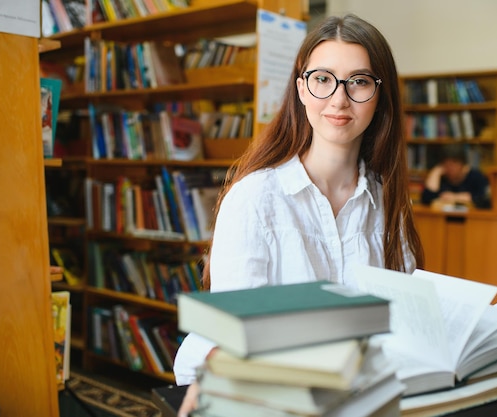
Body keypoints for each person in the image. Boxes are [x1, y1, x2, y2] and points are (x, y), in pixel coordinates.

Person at [173, 13, 425, 416]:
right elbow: (238, 335)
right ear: (301, 89)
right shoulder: (255, 198)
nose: (339, 99)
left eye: (359, 82)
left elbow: (401, 325)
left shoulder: (387, 201)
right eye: (323, 79)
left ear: (380, 96)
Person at [420, 144, 491, 209]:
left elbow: (485, 200)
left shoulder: (476, 177)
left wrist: (455, 197)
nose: (450, 168)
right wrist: (435, 173)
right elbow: (426, 200)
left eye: (454, 163)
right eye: (446, 164)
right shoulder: (441, 177)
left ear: (463, 164)